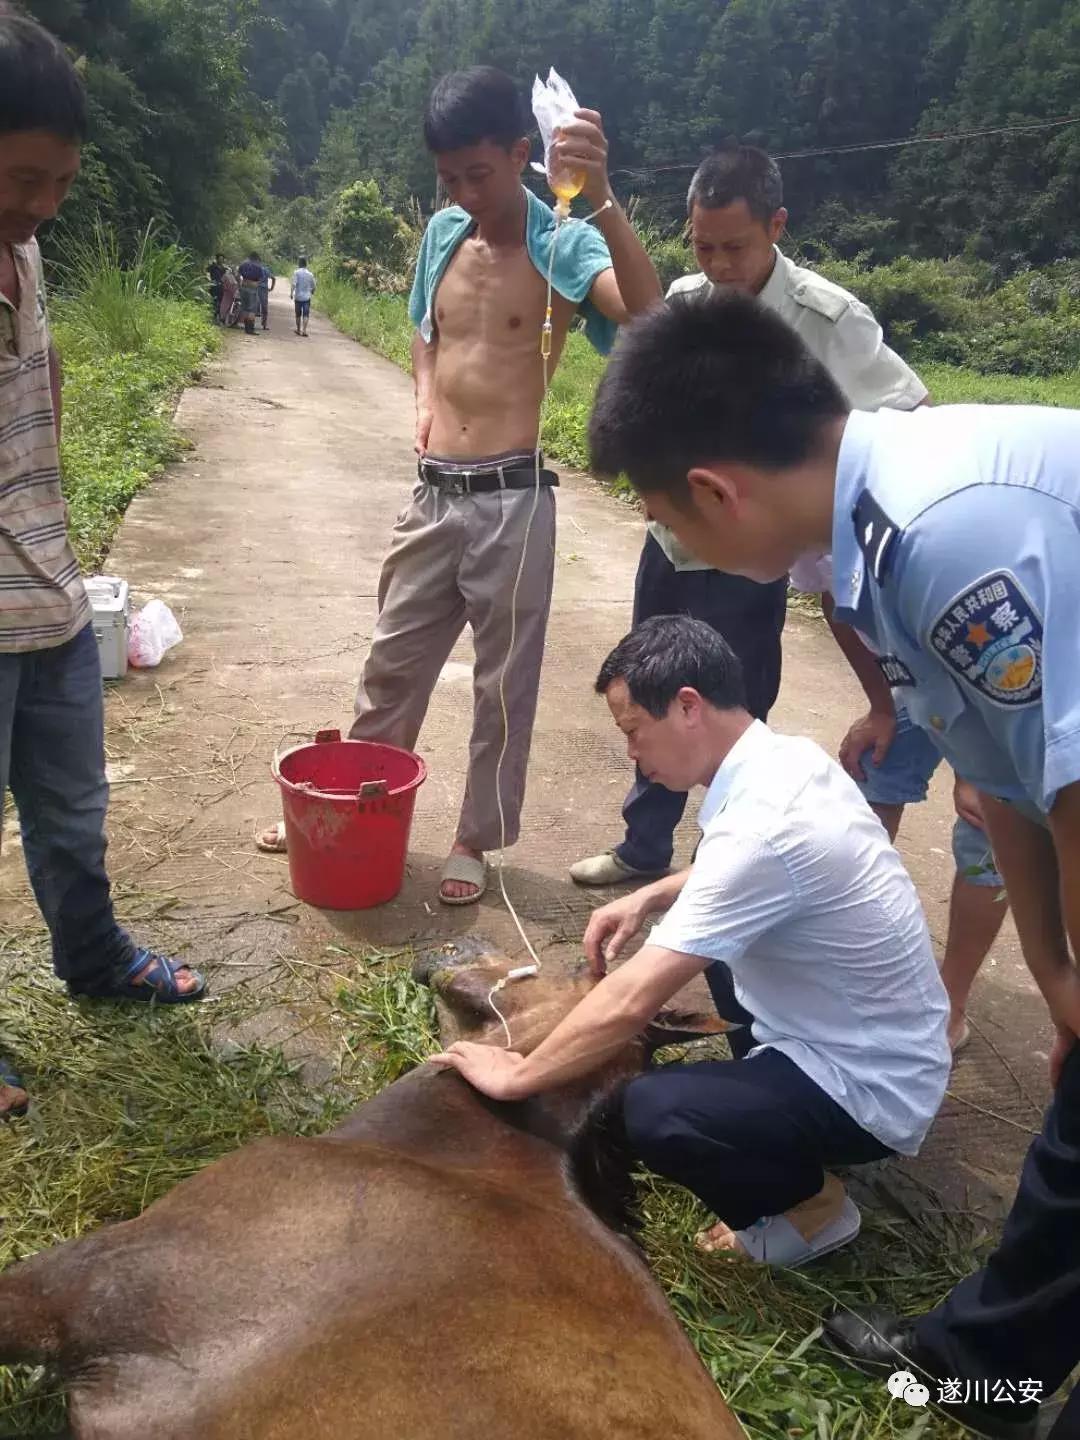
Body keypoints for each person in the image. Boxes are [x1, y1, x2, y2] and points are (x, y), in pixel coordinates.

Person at [583, 291, 1080, 1439]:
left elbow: (1069, 780)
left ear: (716, 490)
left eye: (669, 523)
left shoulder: (946, 534)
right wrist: (1054, 974)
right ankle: (974, 1374)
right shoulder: (870, 550)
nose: (683, 551)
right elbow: (995, 779)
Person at [257, 66, 661, 903]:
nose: (468, 192)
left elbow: (647, 314)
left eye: (481, 173)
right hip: (432, 493)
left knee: (501, 687)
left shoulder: (565, 242)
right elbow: (423, 332)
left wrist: (606, 195)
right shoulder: (442, 234)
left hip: (513, 500)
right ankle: (355, 798)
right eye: (450, 178)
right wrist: (419, 399)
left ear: (524, 154)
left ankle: (475, 837)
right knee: (391, 666)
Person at [433, 614, 950, 1267]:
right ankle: (779, 1118)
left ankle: (811, 1209)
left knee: (656, 1113)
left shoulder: (760, 830)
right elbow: (757, 873)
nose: (631, 753)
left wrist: (522, 1075)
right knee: (717, 949)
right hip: (880, 1035)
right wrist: (653, 893)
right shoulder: (784, 760)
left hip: (873, 1084)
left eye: (633, 731)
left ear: (687, 707)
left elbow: (631, 1002)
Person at [571, 146, 923, 887]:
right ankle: (643, 848)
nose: (721, 264)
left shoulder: (828, 318)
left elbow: (908, 414)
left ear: (777, 227)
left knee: (727, 709)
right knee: (652, 693)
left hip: (757, 555)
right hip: (674, 545)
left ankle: (718, 867)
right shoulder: (687, 302)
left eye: (736, 246)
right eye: (704, 246)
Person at [0, 12, 206, 1117]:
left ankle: (95, 960)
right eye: (25, 175)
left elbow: (46, 379)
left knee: (75, 817)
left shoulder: (22, 246)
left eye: (60, 181)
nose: (42, 202)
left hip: (51, 598)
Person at [237, 251, 263, 335]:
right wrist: (256, 283)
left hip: (244, 286)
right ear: (256, 258)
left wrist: (240, 284)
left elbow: (238, 275)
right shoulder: (258, 267)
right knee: (252, 309)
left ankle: (246, 328)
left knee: (245, 307)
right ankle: (250, 329)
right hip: (253, 287)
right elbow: (261, 278)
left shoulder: (243, 264)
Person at [290, 256, 315, 336]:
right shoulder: (310, 274)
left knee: (298, 314)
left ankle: (298, 330)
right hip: (307, 297)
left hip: (298, 297)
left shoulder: (296, 272)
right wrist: (312, 292)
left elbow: (294, 284)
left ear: (299, 263)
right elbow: (313, 286)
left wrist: (291, 293)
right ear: (306, 264)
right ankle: (304, 330)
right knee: (306, 314)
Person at [208, 253, 226, 322]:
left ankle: (218, 316)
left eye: (222, 259)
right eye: (220, 259)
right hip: (214, 285)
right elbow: (207, 272)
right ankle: (213, 316)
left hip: (221, 286)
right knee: (214, 301)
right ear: (217, 259)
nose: (221, 260)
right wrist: (209, 280)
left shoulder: (224, 268)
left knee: (220, 301)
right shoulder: (213, 266)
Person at [258, 259, 275, 330]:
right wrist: (271, 288)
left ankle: (250, 323)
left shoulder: (255, 268)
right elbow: (273, 278)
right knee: (264, 306)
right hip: (264, 289)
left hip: (255, 287)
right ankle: (264, 325)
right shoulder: (265, 269)